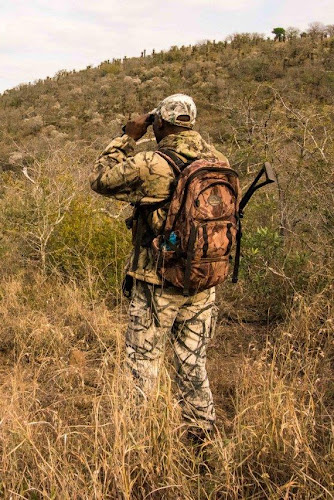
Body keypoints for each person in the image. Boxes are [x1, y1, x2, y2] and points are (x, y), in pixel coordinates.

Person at [89, 94, 229, 440]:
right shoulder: (218, 161)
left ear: (160, 123)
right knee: (192, 361)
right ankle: (202, 434)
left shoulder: (151, 162)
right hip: (202, 279)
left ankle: (140, 443)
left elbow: (100, 178)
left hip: (158, 280)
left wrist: (130, 135)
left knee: (142, 363)